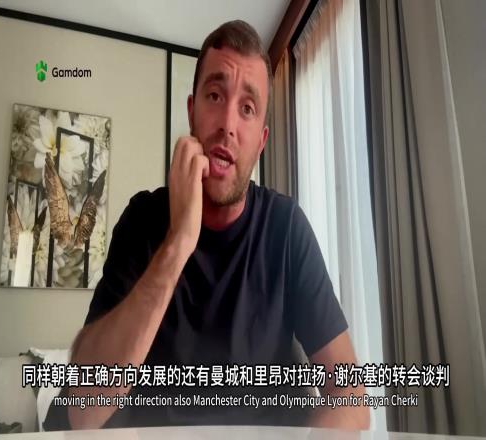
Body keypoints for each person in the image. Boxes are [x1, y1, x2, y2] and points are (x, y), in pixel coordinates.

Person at [44, 20, 369, 431]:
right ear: (191, 112)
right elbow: (82, 409)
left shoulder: (286, 228)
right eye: (215, 95)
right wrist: (179, 241)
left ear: (261, 141)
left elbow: (352, 400)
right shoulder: (143, 219)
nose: (227, 124)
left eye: (247, 108)